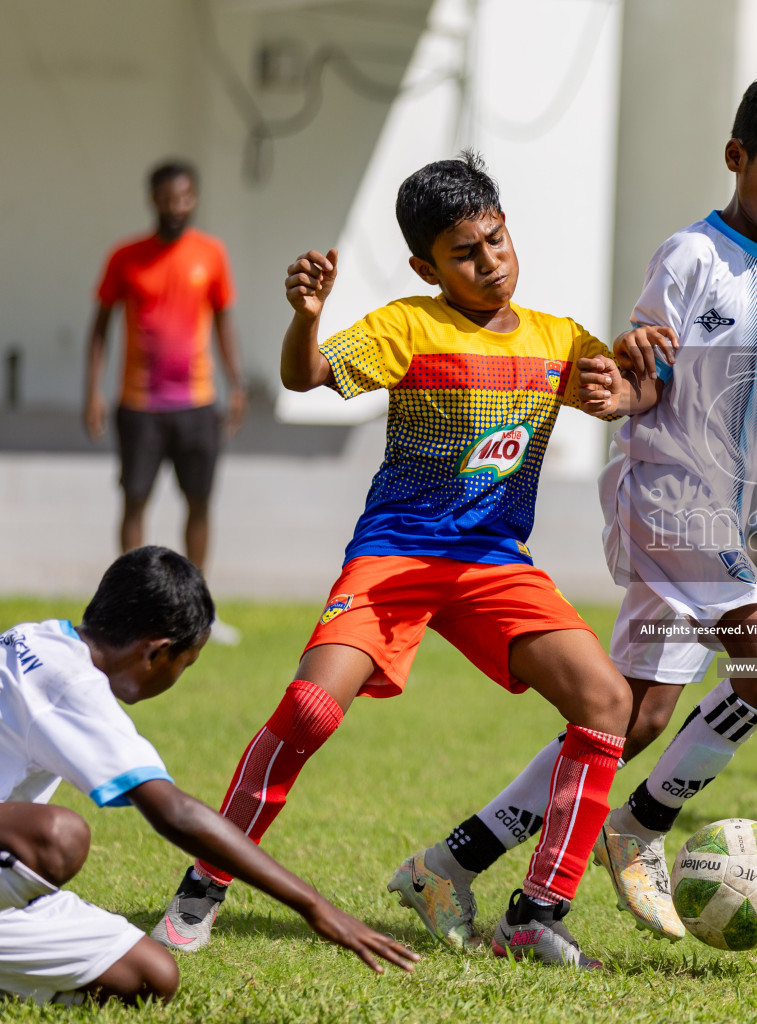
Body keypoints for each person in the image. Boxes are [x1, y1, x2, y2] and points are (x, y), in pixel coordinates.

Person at [386, 73, 757, 949]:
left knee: (630, 719)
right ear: (737, 158)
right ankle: (642, 824)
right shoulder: (690, 258)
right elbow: (637, 377)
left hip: (720, 514)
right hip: (664, 500)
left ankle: (452, 864)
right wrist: (623, 379)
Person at [148, 152, 669, 969]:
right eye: (465, 253)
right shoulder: (406, 326)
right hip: (395, 557)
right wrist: (306, 316)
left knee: (606, 701)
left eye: (496, 241)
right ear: (427, 266)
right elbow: (307, 373)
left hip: (495, 563)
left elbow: (626, 391)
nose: (489, 262)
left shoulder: (558, 339)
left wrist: (628, 385)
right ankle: (202, 887)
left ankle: (535, 914)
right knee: (311, 711)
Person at [0, 547, 416, 1007]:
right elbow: (173, 812)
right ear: (156, 652)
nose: (179, 674)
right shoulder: (72, 685)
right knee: (58, 836)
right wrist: (315, 907)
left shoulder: (30, 638)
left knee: (150, 977)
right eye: (186, 663)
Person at [85, 162, 246, 645]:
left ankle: (199, 611)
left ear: (194, 198)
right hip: (138, 404)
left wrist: (236, 385)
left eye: (184, 197)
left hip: (197, 404)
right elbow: (99, 328)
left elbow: (224, 324)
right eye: (167, 198)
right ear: (152, 198)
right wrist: (92, 390)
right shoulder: (125, 257)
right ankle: (130, 609)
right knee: (135, 501)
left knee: (199, 503)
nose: (176, 206)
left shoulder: (211, 255)